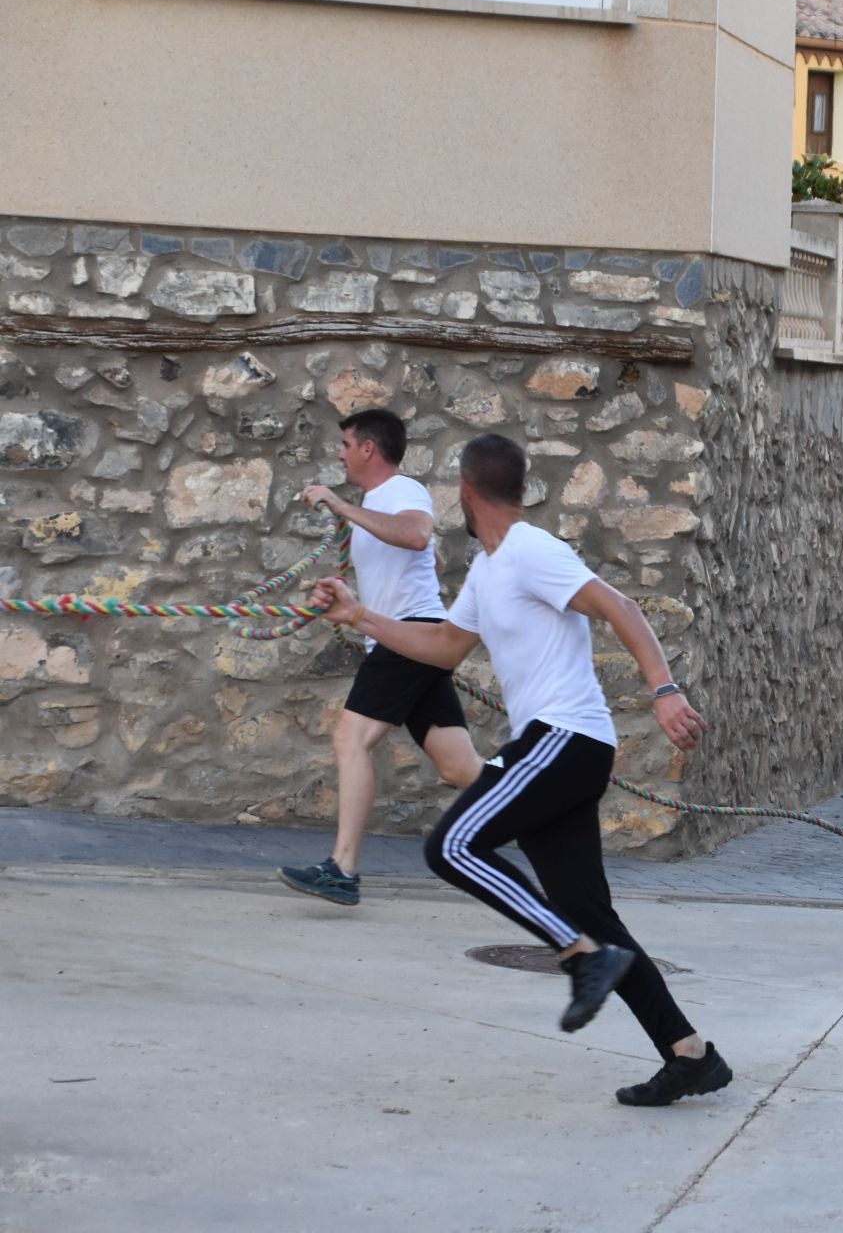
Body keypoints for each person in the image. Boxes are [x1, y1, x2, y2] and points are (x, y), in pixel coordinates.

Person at [308, 434, 731, 1107]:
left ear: (468, 493)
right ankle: (690, 1054)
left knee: (451, 846)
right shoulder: (488, 568)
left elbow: (618, 607)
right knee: (595, 916)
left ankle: (577, 953)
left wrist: (665, 689)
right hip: (556, 746)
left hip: (566, 739)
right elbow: (443, 646)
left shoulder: (534, 551)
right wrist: (359, 614)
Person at [277, 410, 484, 907]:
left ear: (369, 448)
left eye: (345, 443)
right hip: (414, 636)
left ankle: (342, 869)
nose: (339, 452)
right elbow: (426, 556)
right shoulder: (379, 503)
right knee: (458, 768)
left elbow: (415, 535)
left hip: (408, 635)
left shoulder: (400, 490)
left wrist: (337, 504)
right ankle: (544, 799)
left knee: (349, 737)